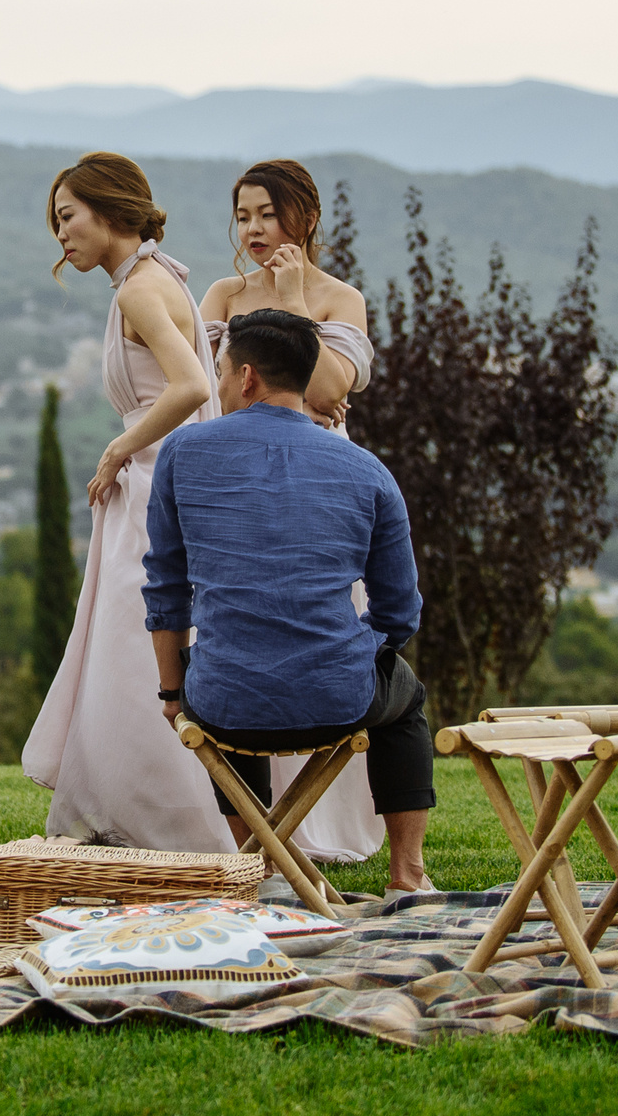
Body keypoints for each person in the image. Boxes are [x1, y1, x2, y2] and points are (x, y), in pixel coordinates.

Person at [146, 309, 436, 898]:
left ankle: (265, 870)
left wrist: (173, 695)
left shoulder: (181, 452)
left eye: (222, 372)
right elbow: (401, 611)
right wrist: (360, 650)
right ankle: (407, 875)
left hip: (219, 702)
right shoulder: (367, 469)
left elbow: (165, 589)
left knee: (230, 672)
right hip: (341, 697)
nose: (221, 385)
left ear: (246, 376)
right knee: (406, 701)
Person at [21, 152, 230, 852]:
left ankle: (165, 825)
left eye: (67, 217)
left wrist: (117, 450)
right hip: (158, 486)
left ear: (108, 210)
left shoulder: (140, 289)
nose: (61, 235)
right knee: (132, 653)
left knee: (138, 655)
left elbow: (192, 386)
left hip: (152, 491)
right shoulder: (154, 278)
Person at [197, 159, 385, 863]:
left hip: (319, 488)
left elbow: (335, 385)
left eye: (267, 215)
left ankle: (321, 821)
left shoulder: (341, 298)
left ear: (302, 218)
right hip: (240, 482)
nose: (252, 229)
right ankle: (248, 828)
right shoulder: (221, 294)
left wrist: (294, 297)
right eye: (243, 215)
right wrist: (303, 388)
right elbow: (223, 395)